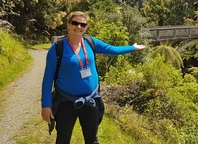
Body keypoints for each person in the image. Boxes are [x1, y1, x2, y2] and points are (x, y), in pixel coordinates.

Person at [41, 11, 146, 144]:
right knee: (63, 139)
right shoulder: (57, 48)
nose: (79, 27)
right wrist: (46, 105)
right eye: (75, 23)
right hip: (65, 102)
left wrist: (133, 47)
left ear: (86, 27)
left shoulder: (90, 42)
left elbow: (112, 49)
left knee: (92, 139)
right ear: (68, 24)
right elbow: (48, 78)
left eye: (82, 24)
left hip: (91, 100)